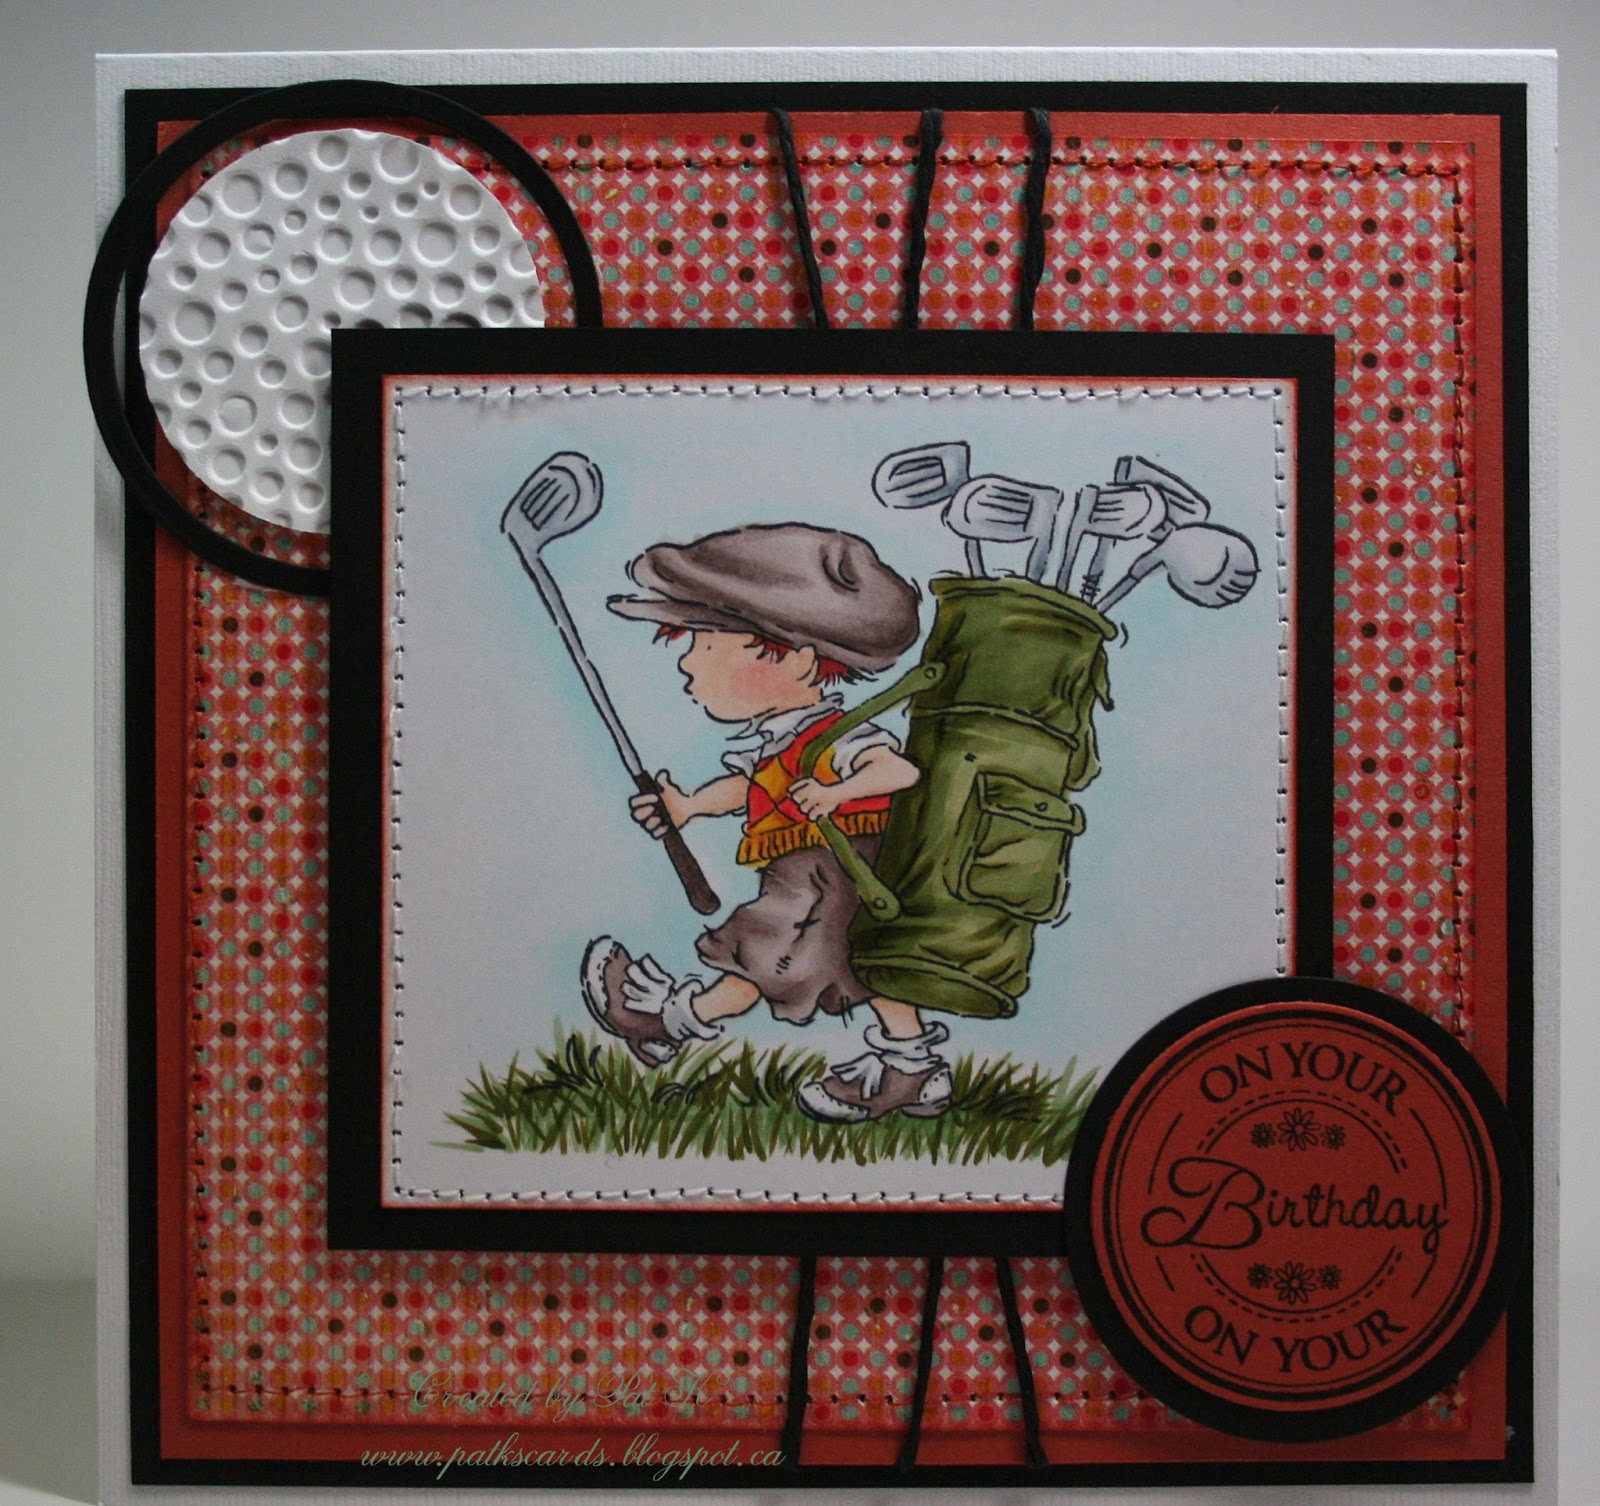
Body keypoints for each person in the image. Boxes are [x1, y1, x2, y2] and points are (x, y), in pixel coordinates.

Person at [580, 522, 953, 1123]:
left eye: (708, 646)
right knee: (861, 972)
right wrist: (688, 806)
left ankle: (665, 1022)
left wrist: (837, 791)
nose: (688, 664)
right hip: (806, 878)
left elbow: (898, 772)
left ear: (800, 661)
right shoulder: (780, 741)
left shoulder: (835, 736)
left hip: (835, 878)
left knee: (761, 960)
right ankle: (914, 1068)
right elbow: (751, 788)